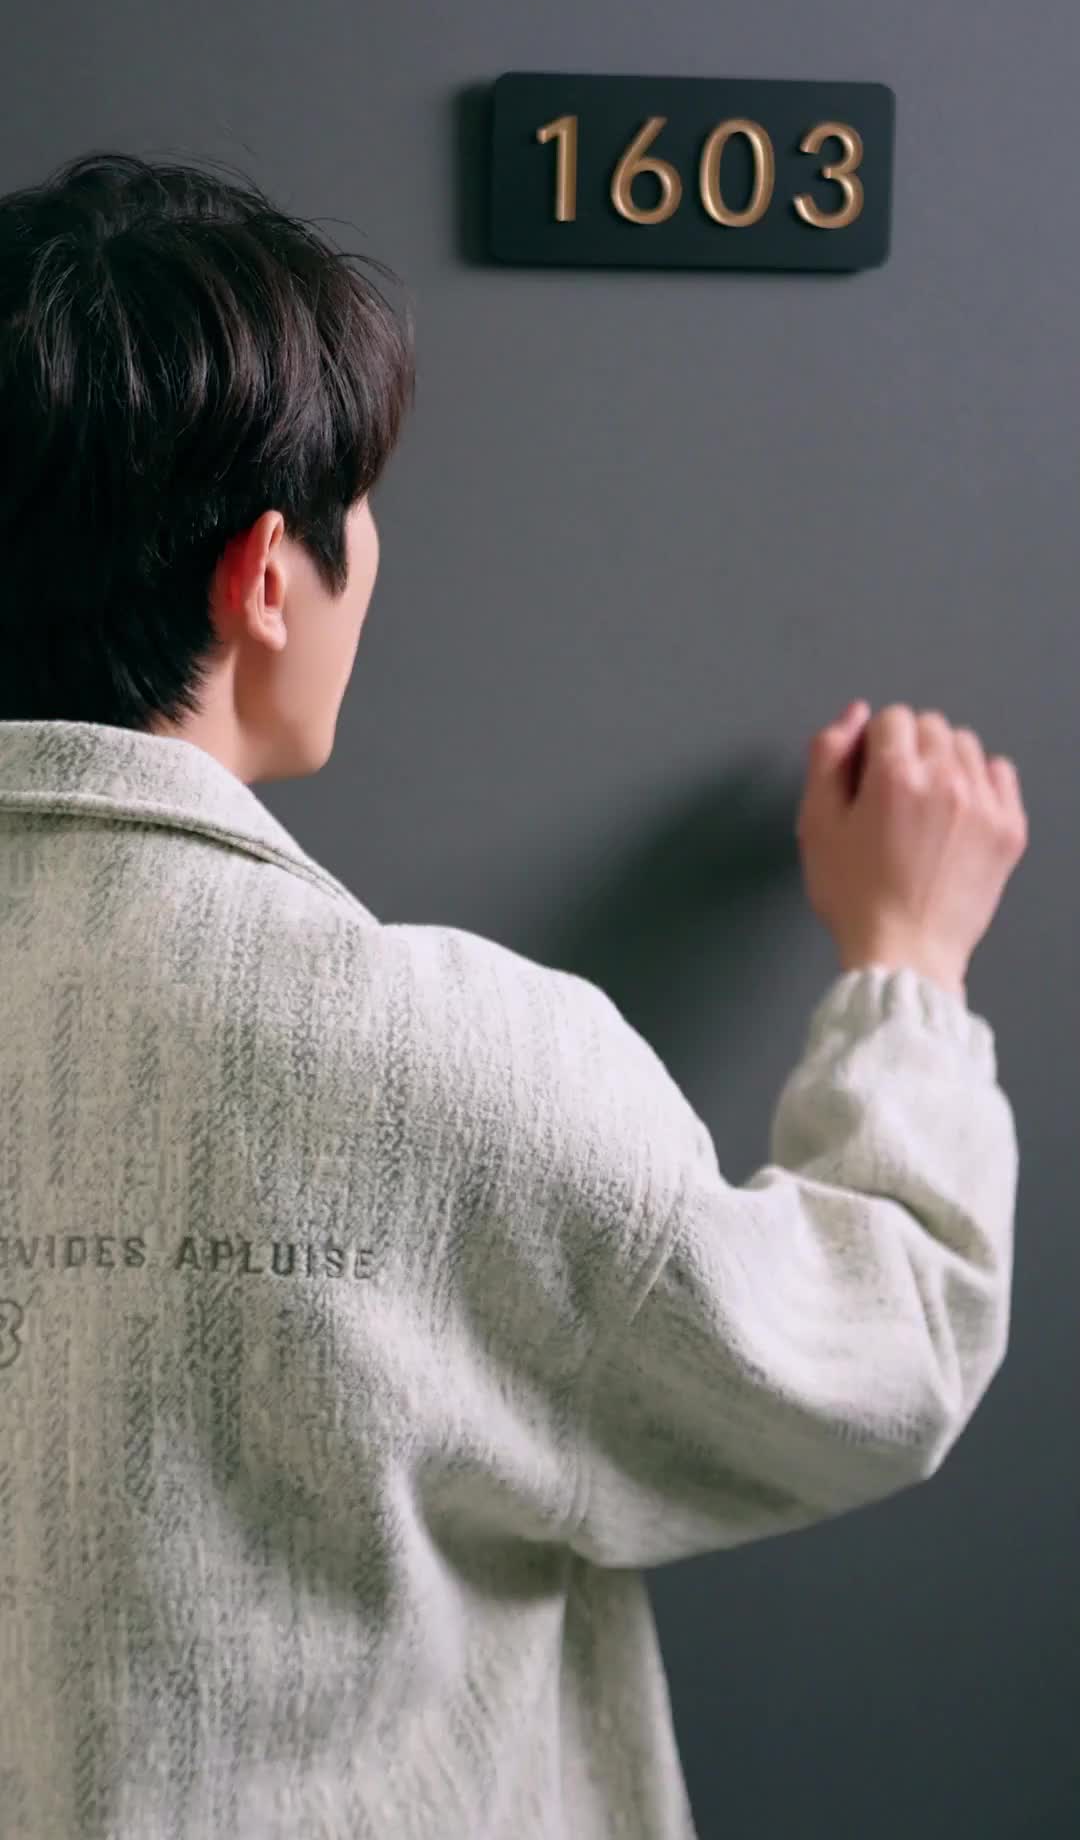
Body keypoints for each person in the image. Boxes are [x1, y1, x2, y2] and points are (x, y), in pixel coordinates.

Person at [0, 150, 1028, 1840]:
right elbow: (878, 1353)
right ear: (266, 577)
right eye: (360, 505)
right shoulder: (453, 1064)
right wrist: (907, 967)